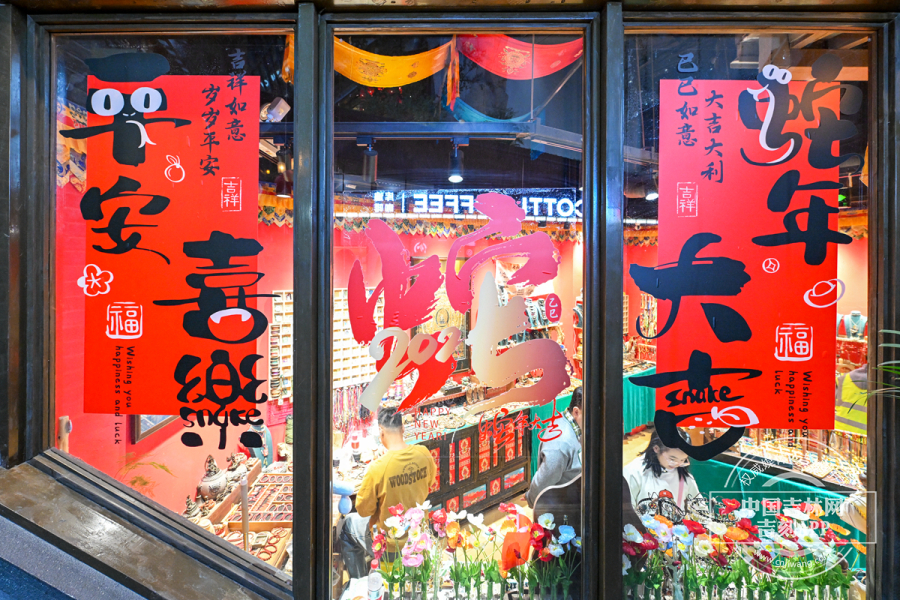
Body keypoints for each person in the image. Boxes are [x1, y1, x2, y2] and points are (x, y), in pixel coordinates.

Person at [339, 406, 437, 579]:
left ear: (381, 431)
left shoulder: (377, 467)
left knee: (346, 526)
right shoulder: (424, 453)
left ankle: (361, 583)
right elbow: (430, 483)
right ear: (403, 428)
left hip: (390, 545)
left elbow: (363, 510)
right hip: (418, 537)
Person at [526, 386, 583, 508]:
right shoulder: (560, 444)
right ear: (576, 412)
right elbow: (542, 484)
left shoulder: (576, 425)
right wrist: (531, 498)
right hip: (561, 507)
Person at [623, 429, 700, 511]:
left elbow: (699, 507)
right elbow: (626, 510)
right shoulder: (634, 471)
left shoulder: (685, 477)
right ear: (656, 448)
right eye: (672, 459)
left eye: (683, 460)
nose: (677, 464)